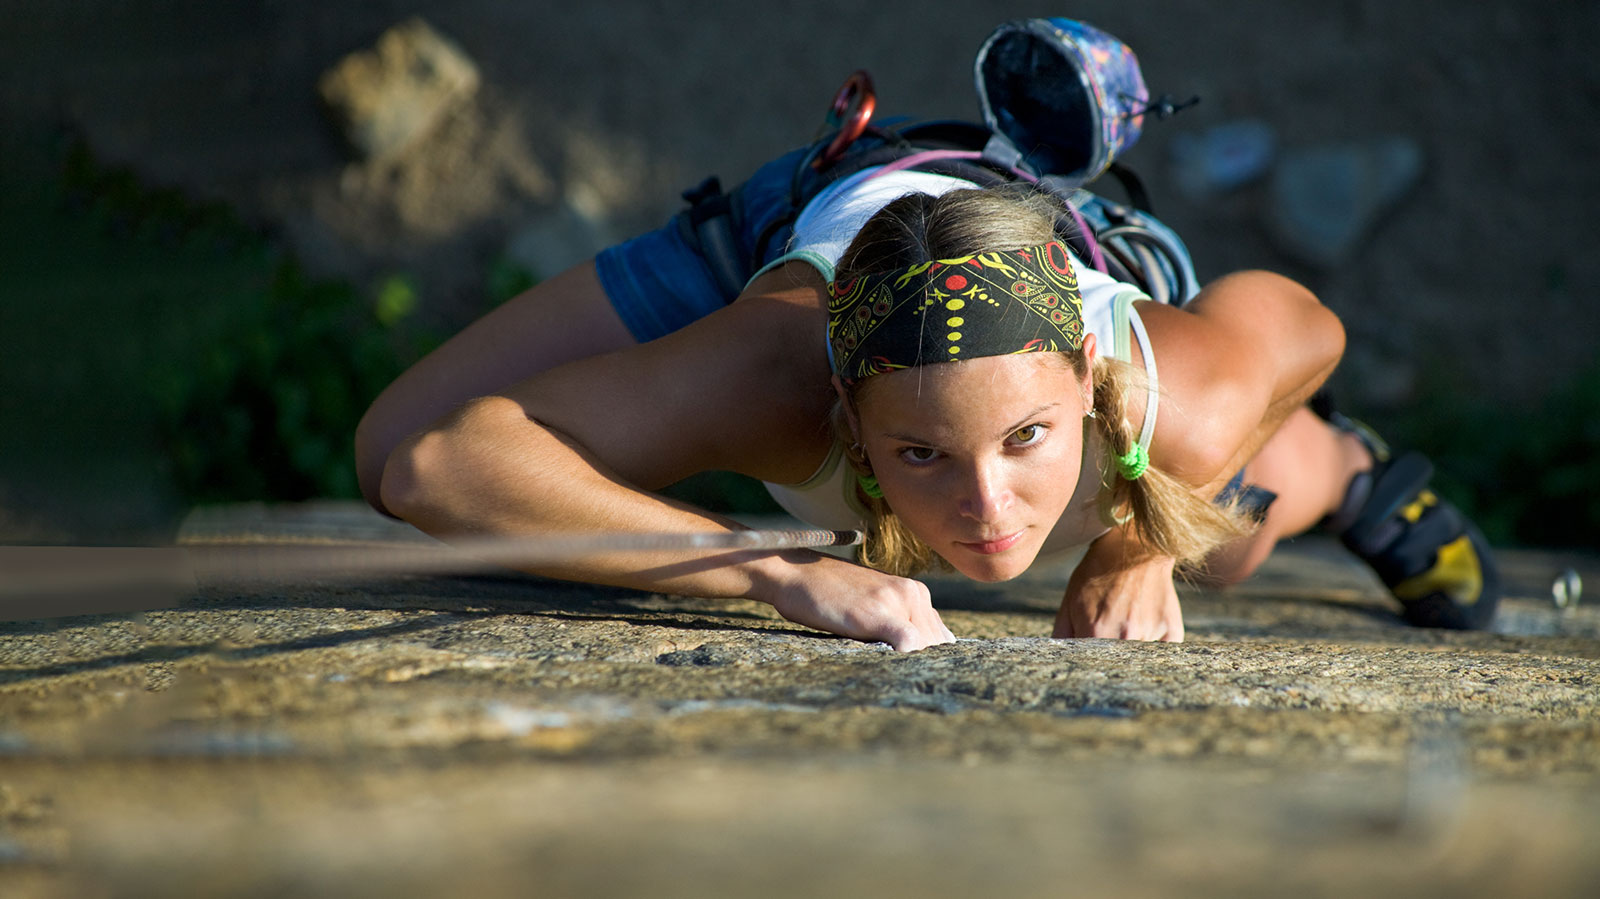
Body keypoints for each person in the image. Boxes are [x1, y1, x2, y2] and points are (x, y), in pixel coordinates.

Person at [353, 19, 1498, 651]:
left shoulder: (1165, 394)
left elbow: (1306, 326)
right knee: (387, 442)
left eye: (1024, 438)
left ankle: (1351, 475)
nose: (987, 514)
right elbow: (431, 460)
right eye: (918, 455)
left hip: (1068, 268)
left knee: (1223, 529)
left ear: (1090, 377)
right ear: (844, 416)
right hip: (797, 224)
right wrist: (768, 571)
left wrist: (1137, 546)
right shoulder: (773, 377)